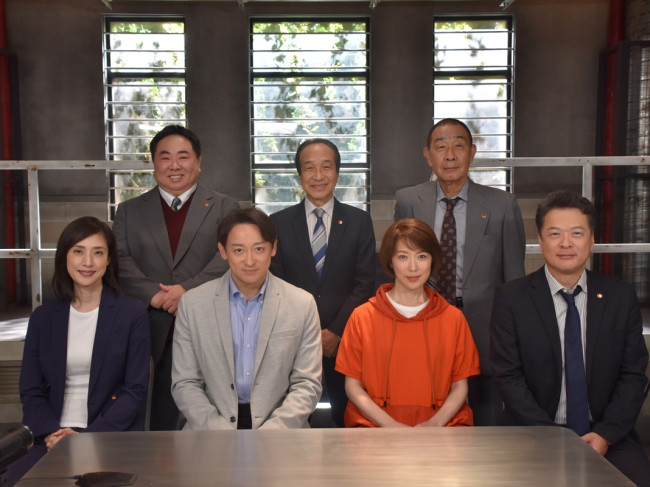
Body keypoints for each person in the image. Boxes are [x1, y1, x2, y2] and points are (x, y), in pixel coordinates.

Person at [490, 190, 650, 486]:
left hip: (606, 434)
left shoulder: (620, 296)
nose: (566, 243)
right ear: (540, 241)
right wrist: (553, 436)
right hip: (532, 432)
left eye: (576, 233)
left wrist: (605, 435)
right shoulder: (512, 298)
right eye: (555, 234)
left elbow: (633, 375)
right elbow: (508, 377)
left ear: (592, 240)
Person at [394, 118, 525, 425]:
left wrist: (514, 335)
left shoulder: (502, 205)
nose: (450, 155)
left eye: (458, 146)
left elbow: (515, 278)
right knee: (424, 405)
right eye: (441, 147)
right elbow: (397, 266)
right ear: (428, 155)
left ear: (472, 152)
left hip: (484, 326)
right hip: (424, 321)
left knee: (486, 415)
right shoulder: (408, 200)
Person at [6, 217, 150, 486]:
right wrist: (52, 434)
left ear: (108, 260)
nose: (88, 262)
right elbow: (31, 390)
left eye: (98, 253)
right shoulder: (44, 318)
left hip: (109, 434)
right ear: (65, 257)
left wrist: (86, 437)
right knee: (17, 480)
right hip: (51, 436)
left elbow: (135, 390)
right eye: (78, 251)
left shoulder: (132, 315)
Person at [112, 125, 239, 430]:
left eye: (183, 156)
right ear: (154, 163)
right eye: (165, 157)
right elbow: (119, 259)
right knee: (155, 418)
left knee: (214, 418)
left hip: (209, 324)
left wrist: (187, 292)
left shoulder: (225, 207)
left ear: (199, 162)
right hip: (149, 327)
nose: (174, 165)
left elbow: (230, 257)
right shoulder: (129, 211)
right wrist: (155, 295)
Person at [171, 207, 322, 430]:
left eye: (259, 249)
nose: (249, 261)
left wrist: (270, 434)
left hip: (281, 431)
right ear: (223, 251)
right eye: (239, 250)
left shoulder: (302, 304)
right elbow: (185, 382)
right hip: (209, 431)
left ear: (273, 248)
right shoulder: (193, 304)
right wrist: (219, 432)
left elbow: (307, 384)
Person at [270, 138, 376, 427]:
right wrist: (310, 334)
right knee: (292, 422)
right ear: (299, 174)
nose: (318, 176)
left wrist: (336, 332)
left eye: (326, 167)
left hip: (346, 341)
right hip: (295, 340)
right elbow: (276, 284)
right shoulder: (278, 223)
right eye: (309, 168)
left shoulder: (359, 221)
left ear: (337, 173)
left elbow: (365, 282)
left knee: (348, 421)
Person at [335, 218, 480, 428]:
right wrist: (391, 426)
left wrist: (434, 424)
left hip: (441, 429)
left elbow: (460, 387)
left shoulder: (453, 318)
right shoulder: (362, 317)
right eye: (403, 257)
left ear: (432, 260)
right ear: (390, 261)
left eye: (422, 256)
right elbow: (353, 387)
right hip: (375, 429)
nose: (413, 267)